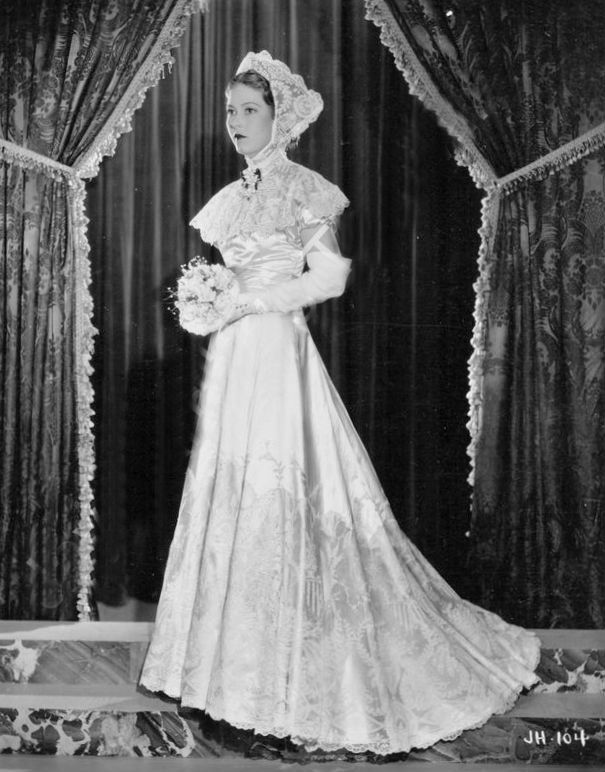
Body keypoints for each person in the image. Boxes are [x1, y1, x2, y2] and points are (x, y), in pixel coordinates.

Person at [139, 50, 541, 756]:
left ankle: (282, 677)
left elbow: (330, 276)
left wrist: (249, 301)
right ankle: (226, 673)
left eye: (250, 110)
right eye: (231, 110)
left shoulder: (303, 189)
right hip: (234, 360)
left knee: (279, 489)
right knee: (229, 488)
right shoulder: (230, 197)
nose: (236, 121)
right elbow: (226, 282)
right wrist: (208, 307)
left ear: (279, 119)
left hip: (277, 351)